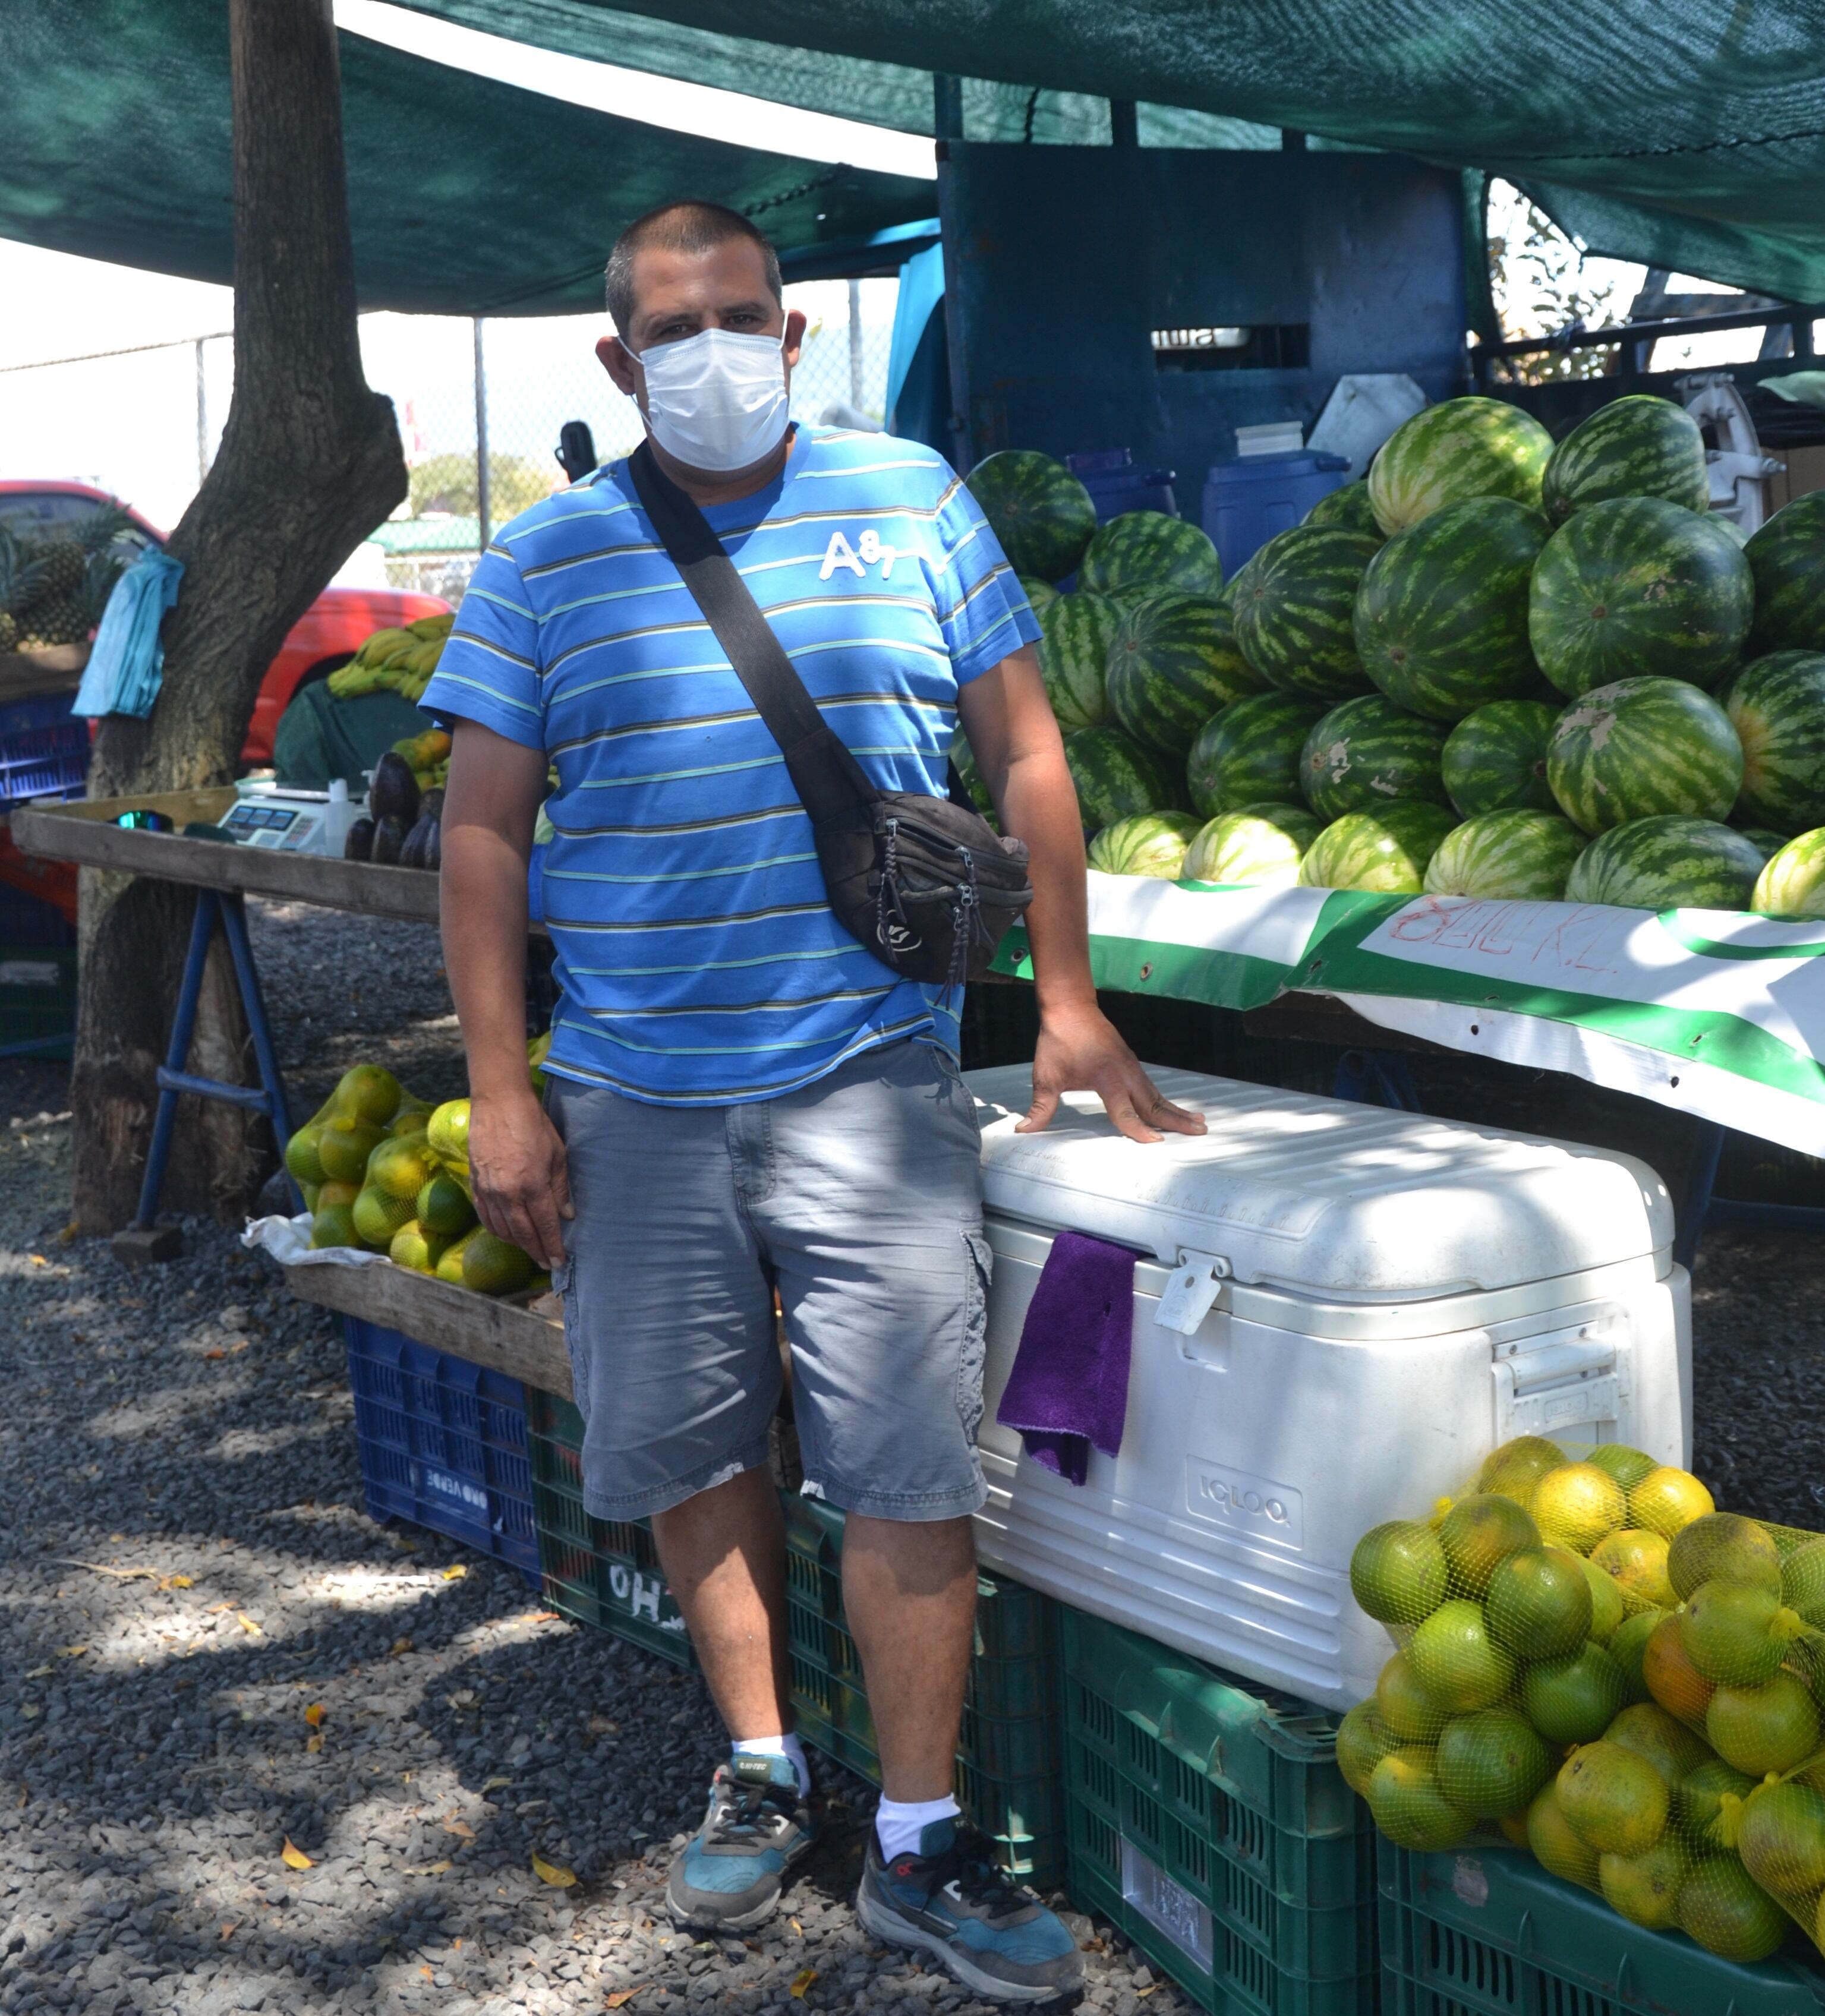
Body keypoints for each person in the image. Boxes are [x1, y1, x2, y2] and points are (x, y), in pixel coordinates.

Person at [426, 199, 1203, 2006]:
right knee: (691, 1448)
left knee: (910, 1460)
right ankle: (765, 1763)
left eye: (741, 316)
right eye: (671, 327)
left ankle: (919, 1838)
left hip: (871, 1081)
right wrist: (497, 1088)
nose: (712, 348)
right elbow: (481, 833)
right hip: (635, 1097)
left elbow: (1025, 750)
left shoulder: (913, 500)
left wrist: (1066, 997)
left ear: (792, 333)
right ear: (620, 359)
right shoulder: (544, 561)